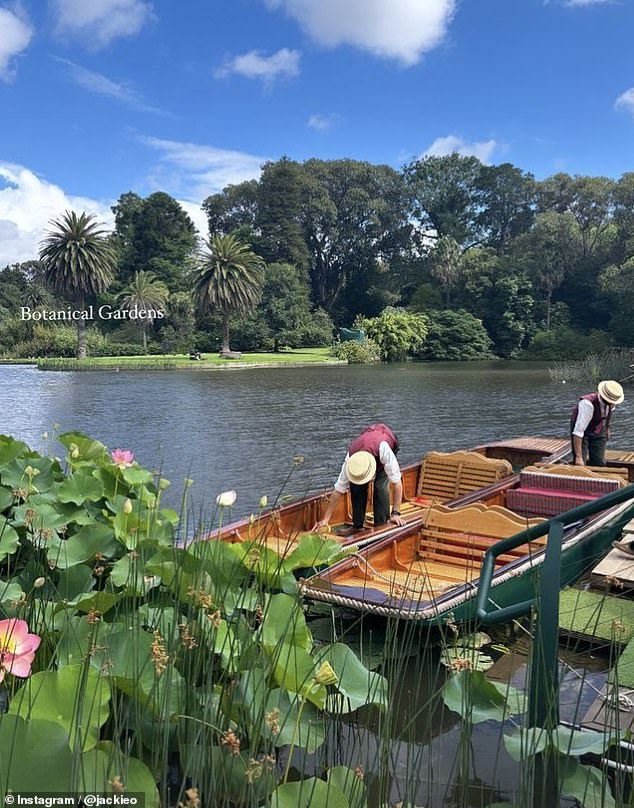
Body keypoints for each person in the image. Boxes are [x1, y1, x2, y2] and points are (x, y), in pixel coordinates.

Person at [312, 423, 405, 533]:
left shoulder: (384, 449)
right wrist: (325, 519)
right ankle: (357, 527)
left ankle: (382, 524)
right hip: (368, 446)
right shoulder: (351, 458)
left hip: (384, 445)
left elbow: (397, 482)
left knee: (380, 487)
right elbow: (338, 490)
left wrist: (396, 513)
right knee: (356, 487)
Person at [570, 380, 624, 467]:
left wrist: (607, 429)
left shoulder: (612, 402)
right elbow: (578, 432)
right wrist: (578, 457)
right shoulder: (587, 404)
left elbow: (609, 415)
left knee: (599, 462)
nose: (612, 403)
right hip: (581, 431)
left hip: (598, 428)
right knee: (580, 464)